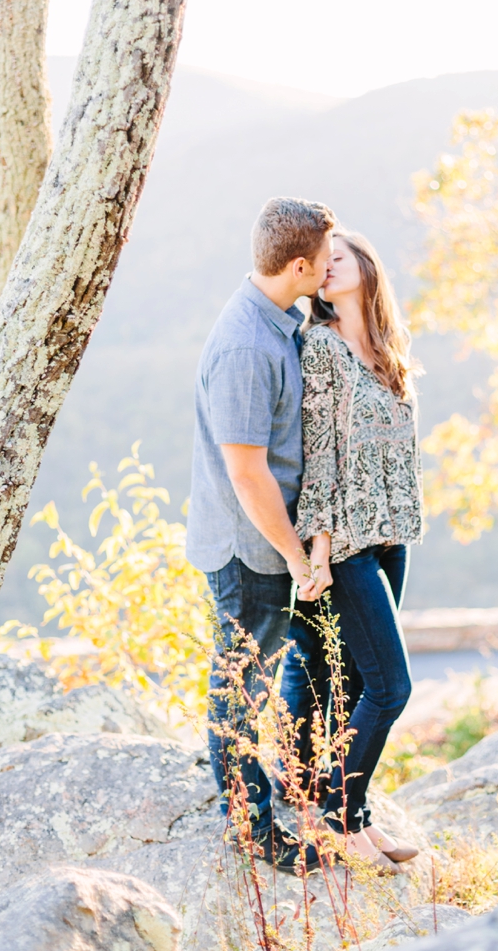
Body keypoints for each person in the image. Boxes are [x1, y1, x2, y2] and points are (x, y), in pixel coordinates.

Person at [185, 196, 335, 873]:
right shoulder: (248, 344)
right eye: (326, 260)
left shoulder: (274, 315)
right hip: (250, 549)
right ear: (298, 264)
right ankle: (250, 828)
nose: (331, 268)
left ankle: (249, 795)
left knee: (254, 678)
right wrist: (298, 557)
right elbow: (248, 474)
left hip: (258, 542)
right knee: (242, 684)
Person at [280, 230, 424, 875]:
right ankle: (335, 816)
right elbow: (321, 461)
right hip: (347, 543)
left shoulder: (388, 352)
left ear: (368, 265)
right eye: (322, 261)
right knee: (392, 687)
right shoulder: (321, 349)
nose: (328, 266)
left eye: (340, 256)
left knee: (361, 682)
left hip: (391, 537)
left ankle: (355, 820)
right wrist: (317, 553)